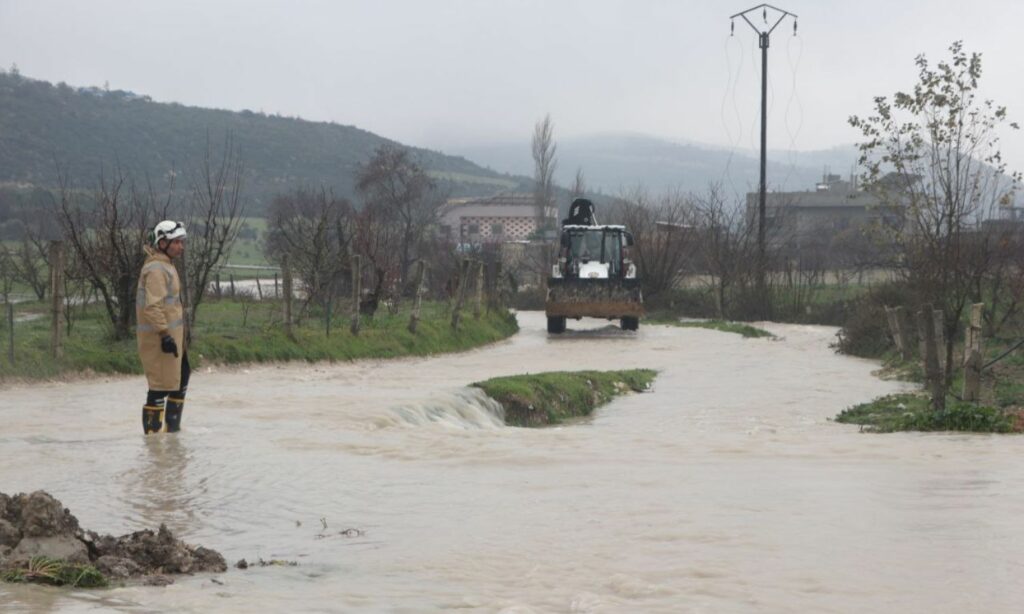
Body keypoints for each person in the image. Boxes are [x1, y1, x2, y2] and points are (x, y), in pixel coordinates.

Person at [137, 221, 189, 434]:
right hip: (159, 339)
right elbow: (153, 306)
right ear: (163, 242)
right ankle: (153, 440)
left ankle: (172, 434)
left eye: (181, 241)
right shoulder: (157, 269)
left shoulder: (166, 264)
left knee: (182, 376)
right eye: (176, 242)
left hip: (172, 337)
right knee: (159, 388)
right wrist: (164, 335)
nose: (180, 246)